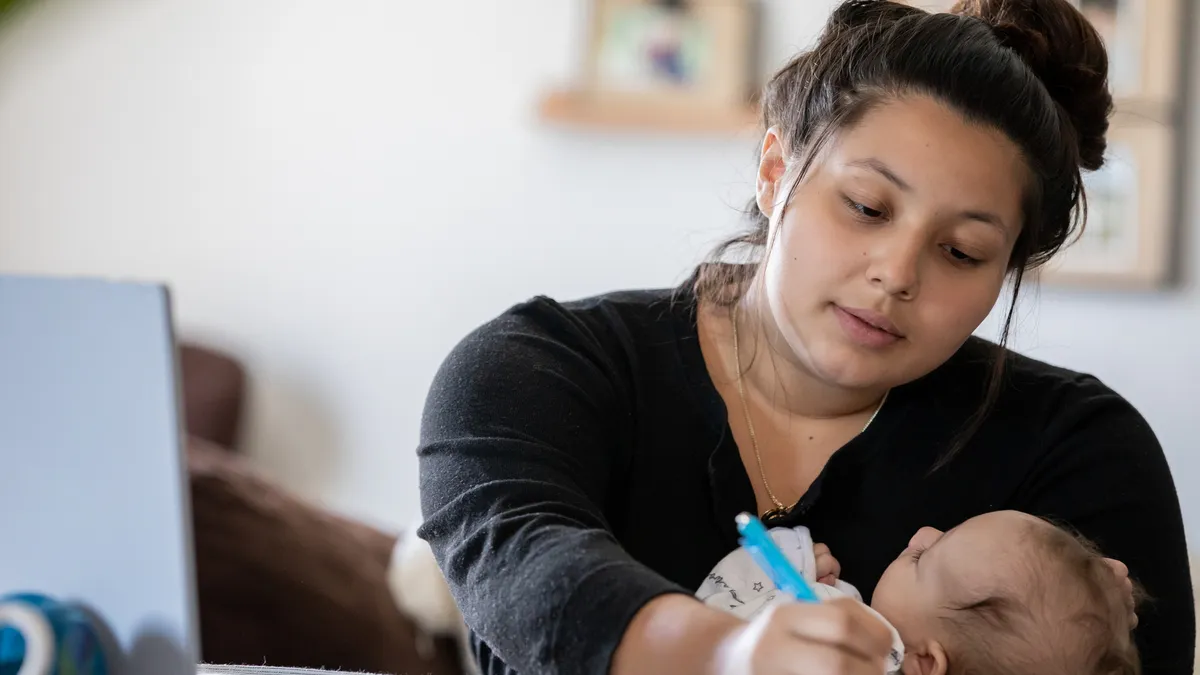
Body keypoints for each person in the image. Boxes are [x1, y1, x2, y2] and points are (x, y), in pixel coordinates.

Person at [416, 0, 1195, 673]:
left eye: (961, 251)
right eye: (866, 206)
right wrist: (730, 656)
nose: (896, 274)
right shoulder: (538, 370)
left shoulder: (1081, 452)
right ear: (775, 168)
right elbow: (526, 574)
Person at [698, 510, 1141, 674]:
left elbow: (719, 611)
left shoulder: (850, 647)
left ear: (927, 662)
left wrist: (790, 557)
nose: (922, 533)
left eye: (923, 560)